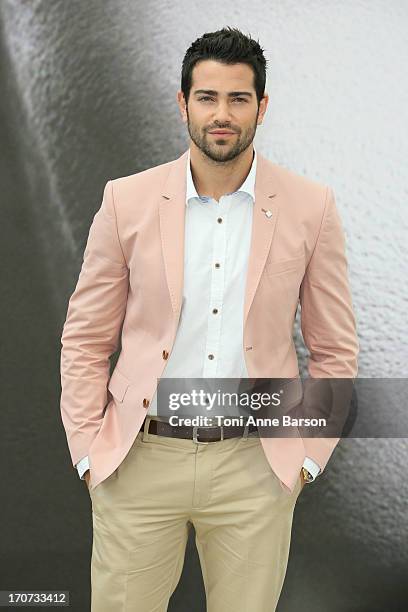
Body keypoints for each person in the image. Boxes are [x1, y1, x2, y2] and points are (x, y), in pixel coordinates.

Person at [60, 26, 359, 612]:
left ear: (262, 107)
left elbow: (336, 350)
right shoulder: (126, 200)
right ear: (183, 103)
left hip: (255, 465)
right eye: (207, 97)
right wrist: (87, 450)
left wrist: (304, 457)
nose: (222, 114)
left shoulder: (310, 206)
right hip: (139, 460)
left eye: (238, 98)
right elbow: (85, 337)